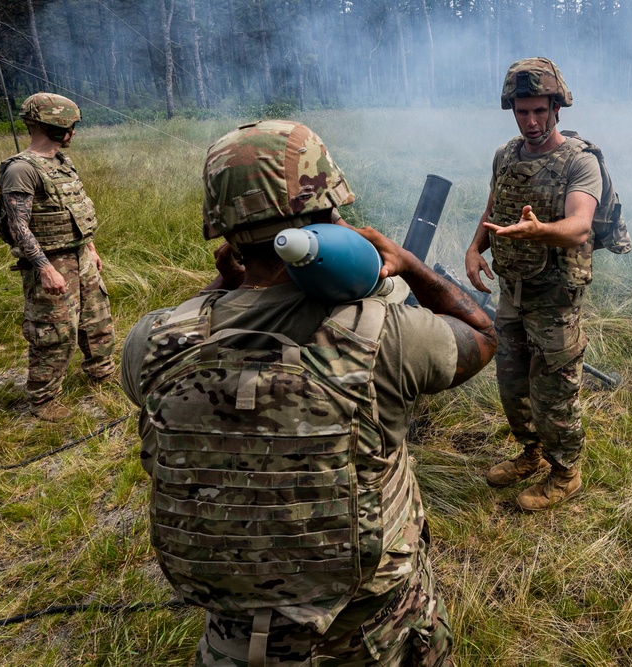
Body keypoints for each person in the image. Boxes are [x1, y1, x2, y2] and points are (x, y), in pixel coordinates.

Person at [120, 120, 497, 667]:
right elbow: (484, 335)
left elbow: (189, 326)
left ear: (228, 236)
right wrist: (409, 265)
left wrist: (224, 286)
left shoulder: (149, 344)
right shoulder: (384, 336)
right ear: (326, 223)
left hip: (232, 641)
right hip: (374, 636)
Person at [464, 57, 614, 512]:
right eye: (521, 111)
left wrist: (538, 231)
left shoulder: (579, 160)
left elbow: (579, 226)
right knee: (512, 385)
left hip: (554, 297)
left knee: (554, 391)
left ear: (557, 108)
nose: (530, 121)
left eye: (539, 111)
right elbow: (494, 206)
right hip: (513, 291)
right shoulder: (506, 155)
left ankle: (566, 473)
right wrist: (475, 249)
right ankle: (530, 454)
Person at [0, 92, 114, 421]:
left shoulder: (62, 161)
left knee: (96, 321)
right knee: (54, 332)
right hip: (51, 263)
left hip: (81, 257)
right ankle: (43, 399)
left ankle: (101, 372)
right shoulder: (21, 170)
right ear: (51, 125)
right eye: (70, 126)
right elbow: (19, 227)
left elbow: (74, 209)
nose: (73, 133)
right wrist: (45, 269)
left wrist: (90, 247)